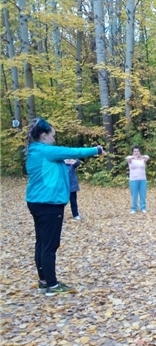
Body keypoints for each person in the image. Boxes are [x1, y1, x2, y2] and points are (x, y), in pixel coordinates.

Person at [25, 117, 103, 296]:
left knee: (42, 243)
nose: (54, 139)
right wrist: (96, 150)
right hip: (49, 203)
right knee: (50, 245)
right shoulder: (46, 150)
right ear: (44, 136)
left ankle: (44, 281)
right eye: (52, 135)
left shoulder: (33, 150)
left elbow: (58, 162)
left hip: (36, 201)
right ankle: (52, 285)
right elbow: (73, 151)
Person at [126, 146, 150, 214]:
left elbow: (147, 157)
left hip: (142, 179)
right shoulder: (130, 159)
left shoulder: (143, 159)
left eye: (137, 151)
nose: (136, 153)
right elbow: (127, 158)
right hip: (133, 179)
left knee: (143, 194)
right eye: (135, 151)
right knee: (134, 195)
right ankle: (134, 208)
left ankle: (143, 208)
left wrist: (140, 156)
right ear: (132, 152)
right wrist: (134, 157)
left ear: (139, 152)